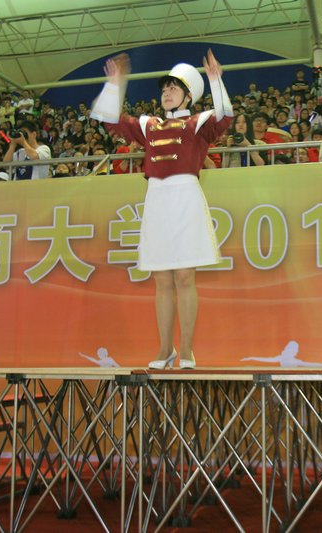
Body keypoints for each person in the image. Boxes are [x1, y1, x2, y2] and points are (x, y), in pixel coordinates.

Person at [90, 51, 232, 370]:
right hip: (157, 200)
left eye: (173, 88)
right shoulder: (148, 125)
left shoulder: (198, 123)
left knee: (184, 276)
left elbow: (226, 118)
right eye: (164, 88)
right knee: (162, 279)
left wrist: (215, 81)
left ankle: (187, 350)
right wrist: (115, 84)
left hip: (185, 199)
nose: (166, 92)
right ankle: (165, 349)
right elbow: (110, 121)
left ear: (188, 96)